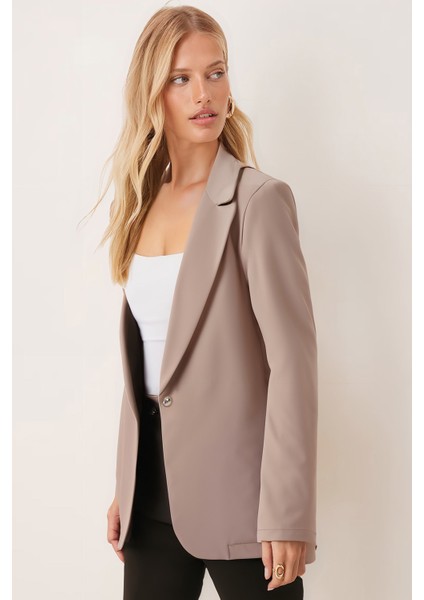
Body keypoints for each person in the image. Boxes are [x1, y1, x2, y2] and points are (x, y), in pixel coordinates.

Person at [97, 5, 318, 599]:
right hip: (150, 493)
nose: (205, 94)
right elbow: (150, 361)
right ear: (153, 92)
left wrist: (288, 512)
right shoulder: (138, 207)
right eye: (182, 78)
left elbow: (293, 363)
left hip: (245, 499)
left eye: (216, 73)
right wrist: (127, 483)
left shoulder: (257, 201)